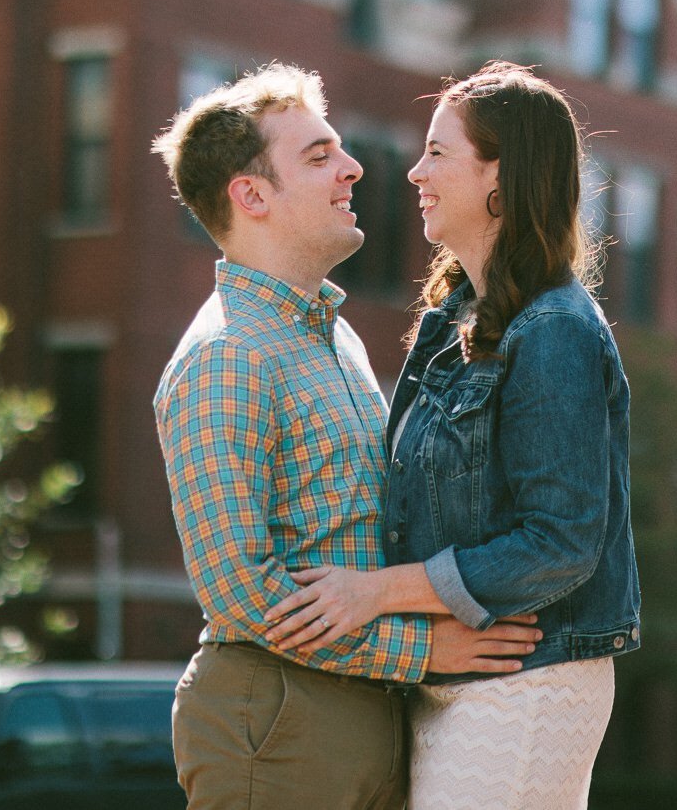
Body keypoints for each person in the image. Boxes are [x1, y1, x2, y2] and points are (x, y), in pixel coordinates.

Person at [153, 63, 543, 810]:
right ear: (252, 195)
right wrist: (422, 649)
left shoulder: (335, 340)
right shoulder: (227, 354)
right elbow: (241, 593)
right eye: (318, 154)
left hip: (363, 710)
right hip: (279, 717)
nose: (354, 166)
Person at [264, 61, 640, 810]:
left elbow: (563, 541)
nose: (414, 173)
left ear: (503, 176)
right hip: (446, 676)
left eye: (438, 152)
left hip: (530, 679)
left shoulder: (555, 329)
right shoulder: (450, 323)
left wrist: (374, 593)